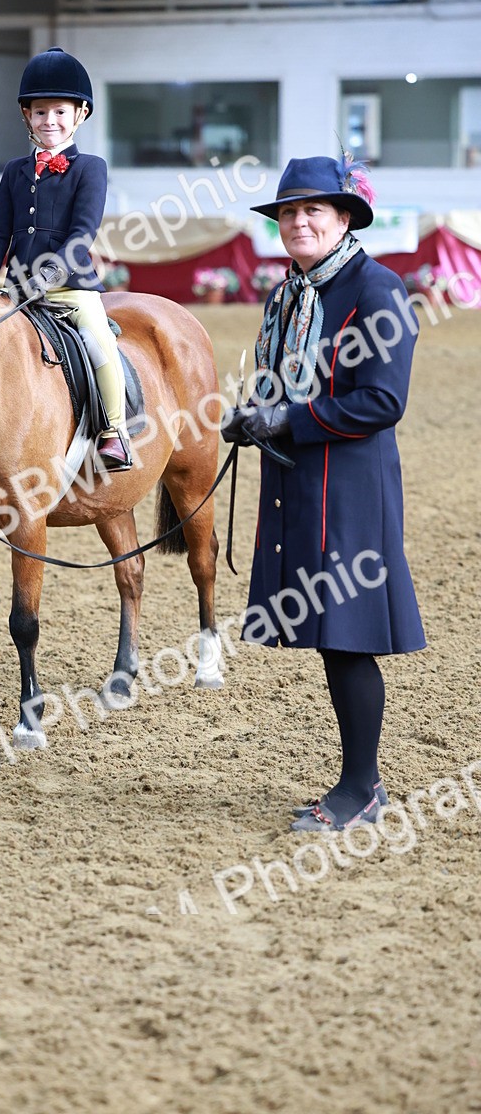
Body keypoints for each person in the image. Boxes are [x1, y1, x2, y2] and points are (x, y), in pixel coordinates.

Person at [222, 155, 426, 832]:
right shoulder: (289, 294)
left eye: (313, 210)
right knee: (330, 634)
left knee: (348, 636)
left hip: (352, 488)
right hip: (300, 477)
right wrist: (256, 414)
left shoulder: (377, 288)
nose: (299, 221)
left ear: (343, 219)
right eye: (288, 211)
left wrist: (289, 419)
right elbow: (282, 381)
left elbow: (383, 400)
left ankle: (362, 789)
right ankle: (358, 783)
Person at [0, 46, 131, 471]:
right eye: (41, 112)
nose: (50, 122)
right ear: (27, 116)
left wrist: (41, 278)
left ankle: (112, 430)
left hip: (71, 287)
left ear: (79, 114)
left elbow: (82, 235)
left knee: (99, 341)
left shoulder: (91, 168)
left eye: (59, 112)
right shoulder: (13, 171)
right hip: (15, 290)